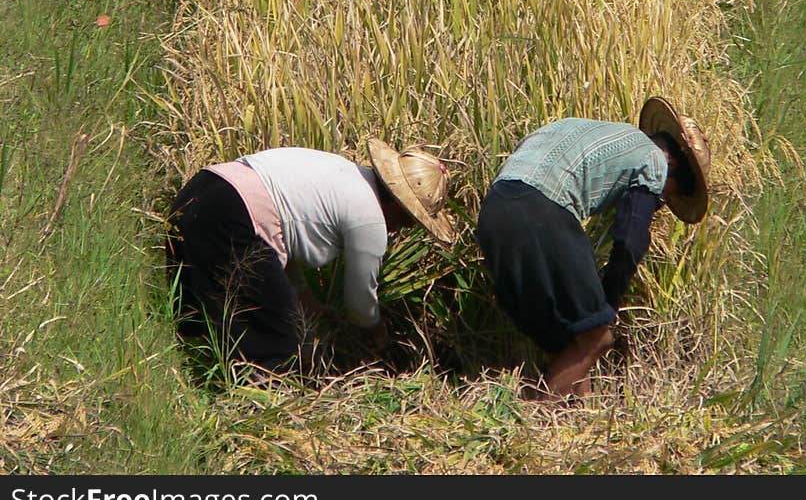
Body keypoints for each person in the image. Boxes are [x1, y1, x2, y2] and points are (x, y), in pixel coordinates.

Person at [476, 96, 710, 402]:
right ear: (674, 164)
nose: (660, 204)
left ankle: (581, 418)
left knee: (573, 341)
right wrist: (608, 302)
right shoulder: (654, 160)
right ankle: (540, 427)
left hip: (494, 212)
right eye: (666, 196)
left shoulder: (582, 128)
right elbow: (630, 238)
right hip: (540, 212)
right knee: (597, 337)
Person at [165, 138, 455, 380]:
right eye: (407, 223)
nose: (399, 231)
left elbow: (280, 229)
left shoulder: (346, 173)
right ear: (399, 208)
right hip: (232, 215)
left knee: (196, 320)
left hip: (203, 189)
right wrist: (379, 334)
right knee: (282, 343)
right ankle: (260, 421)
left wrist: (305, 298)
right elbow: (360, 303)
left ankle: (186, 381)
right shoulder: (370, 221)